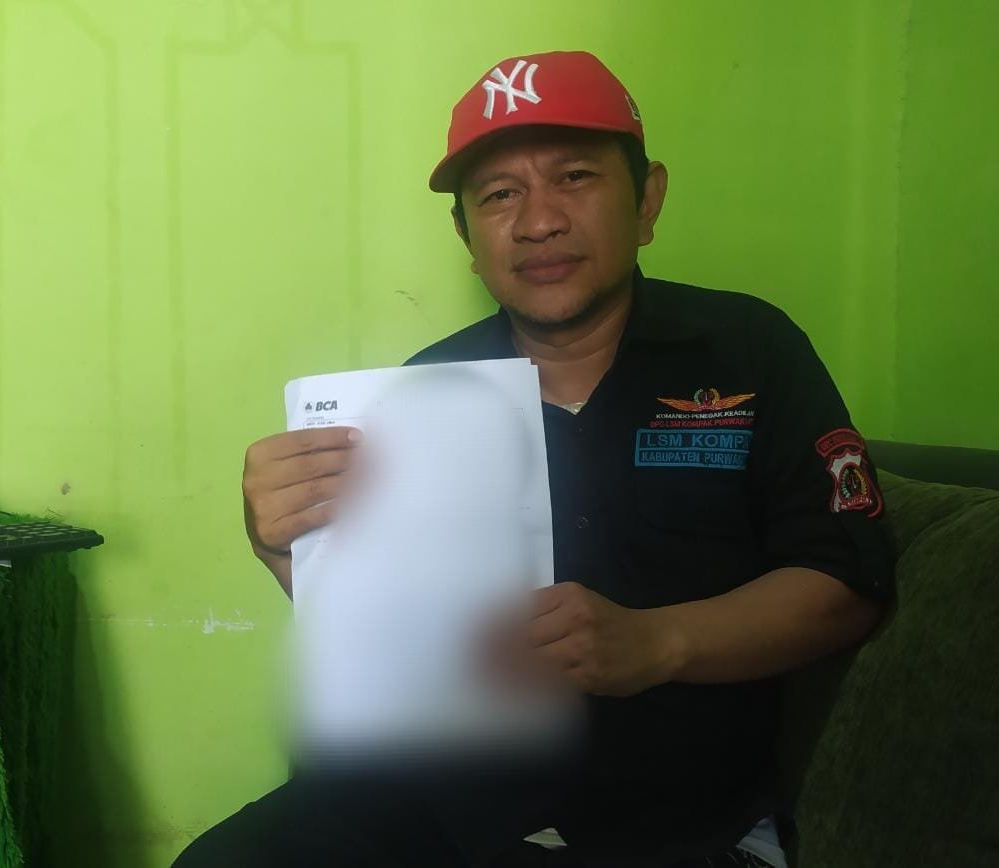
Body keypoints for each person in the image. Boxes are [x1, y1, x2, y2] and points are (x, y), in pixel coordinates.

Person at [177, 50, 892, 867]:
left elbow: (845, 582)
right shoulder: (417, 396)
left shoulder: (749, 352)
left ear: (647, 199)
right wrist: (293, 553)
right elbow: (396, 646)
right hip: (442, 810)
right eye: (499, 194)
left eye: (575, 177)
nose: (538, 221)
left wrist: (657, 641)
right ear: (466, 235)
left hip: (680, 826)